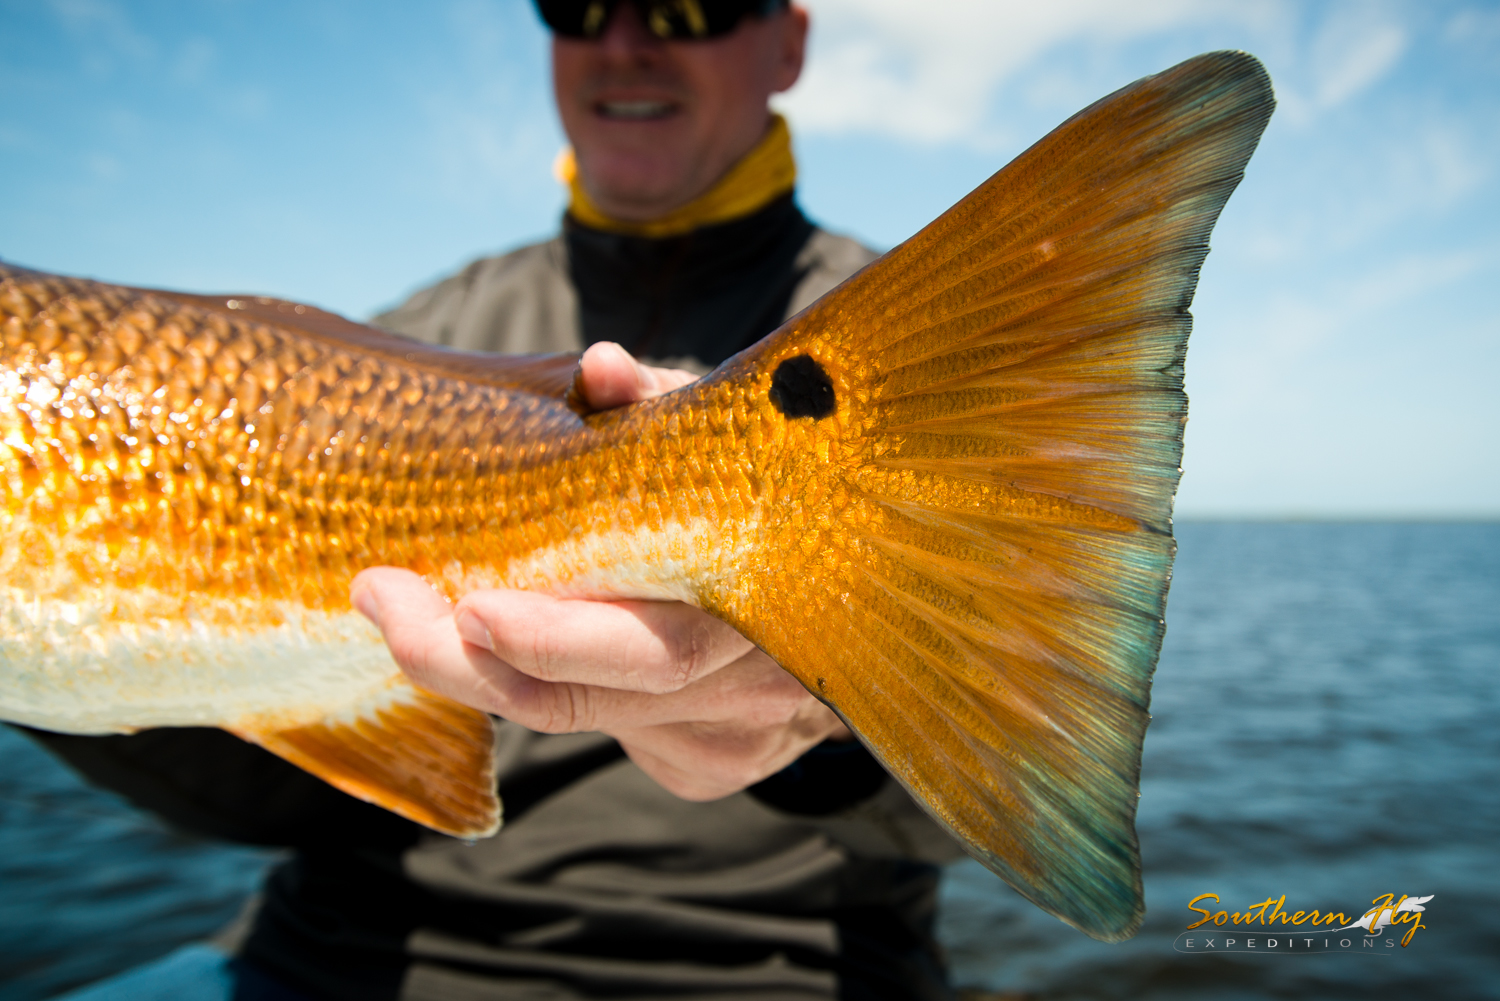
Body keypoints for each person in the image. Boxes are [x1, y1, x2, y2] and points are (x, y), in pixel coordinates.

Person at [28, 2, 964, 998]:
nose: (625, 42)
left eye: (688, 7)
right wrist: (57, 627)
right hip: (342, 953)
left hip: (765, 969)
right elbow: (286, 789)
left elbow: (1019, 763)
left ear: (789, 44)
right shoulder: (401, 337)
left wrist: (824, 735)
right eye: (578, 6)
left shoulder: (927, 346)